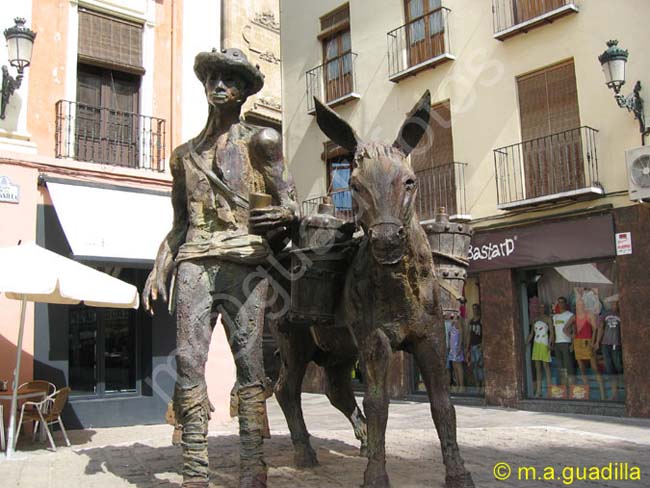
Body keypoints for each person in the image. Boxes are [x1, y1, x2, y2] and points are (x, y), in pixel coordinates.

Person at [143, 48, 298, 488]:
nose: (217, 85)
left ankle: (253, 464)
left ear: (245, 90)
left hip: (244, 265)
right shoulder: (182, 157)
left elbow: (291, 202)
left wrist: (284, 216)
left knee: (250, 365)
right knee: (190, 363)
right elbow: (179, 225)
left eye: (228, 78)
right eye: (211, 77)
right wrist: (160, 266)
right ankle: (194, 468)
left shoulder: (261, 143)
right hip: (194, 262)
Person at [565, 298, 605, 400]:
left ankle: (602, 394)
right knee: (581, 368)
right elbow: (565, 328)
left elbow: (595, 328)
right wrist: (572, 336)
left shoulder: (589, 315)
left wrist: (594, 341)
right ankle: (587, 393)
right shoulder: (574, 317)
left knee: (594, 367)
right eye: (578, 305)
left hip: (587, 341)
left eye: (582, 304)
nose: (580, 306)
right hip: (578, 342)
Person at [596, 300, 623, 400]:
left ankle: (621, 389)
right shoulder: (606, 313)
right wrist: (597, 341)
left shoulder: (622, 314)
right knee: (610, 368)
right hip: (606, 343)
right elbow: (600, 328)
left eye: (616, 303)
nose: (614, 305)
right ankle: (614, 393)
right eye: (612, 303)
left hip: (617, 344)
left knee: (618, 366)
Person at [527, 304, 554, 398]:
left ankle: (550, 390)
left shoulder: (548, 319)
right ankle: (538, 391)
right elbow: (531, 333)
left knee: (546, 366)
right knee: (538, 368)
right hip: (536, 343)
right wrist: (526, 343)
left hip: (544, 343)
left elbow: (551, 333)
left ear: (545, 309)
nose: (541, 309)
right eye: (540, 307)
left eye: (543, 307)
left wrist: (550, 344)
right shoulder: (535, 319)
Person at [552, 296, 575, 388]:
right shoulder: (555, 316)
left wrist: (573, 343)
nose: (561, 304)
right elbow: (554, 331)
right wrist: (553, 342)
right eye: (559, 302)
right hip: (558, 343)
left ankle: (572, 387)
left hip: (566, 342)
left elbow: (573, 330)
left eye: (562, 302)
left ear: (566, 303)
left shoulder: (570, 315)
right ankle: (563, 388)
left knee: (569, 366)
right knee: (560, 367)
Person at [465, 303, 483, 389]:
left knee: (480, 365)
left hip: (479, 346)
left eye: (476, 309)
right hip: (472, 346)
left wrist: (482, 345)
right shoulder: (471, 321)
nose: (474, 311)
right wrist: (467, 347)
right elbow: (469, 334)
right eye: (473, 309)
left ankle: (483, 385)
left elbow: (485, 334)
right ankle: (477, 385)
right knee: (474, 366)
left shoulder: (481, 320)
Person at [447, 319, 465, 393]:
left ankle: (462, 386)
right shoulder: (452, 323)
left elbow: (461, 334)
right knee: (454, 366)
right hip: (452, 347)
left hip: (456, 346)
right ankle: (457, 385)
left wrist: (460, 346)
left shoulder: (458, 321)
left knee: (458, 365)